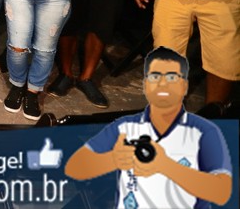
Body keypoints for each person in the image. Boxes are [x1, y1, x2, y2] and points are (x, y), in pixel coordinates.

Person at [65, 46, 233, 208]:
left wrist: (165, 165)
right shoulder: (127, 126)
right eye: (155, 77)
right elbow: (75, 167)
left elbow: (221, 192)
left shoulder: (205, 132)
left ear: (184, 86)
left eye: (171, 78)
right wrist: (113, 159)